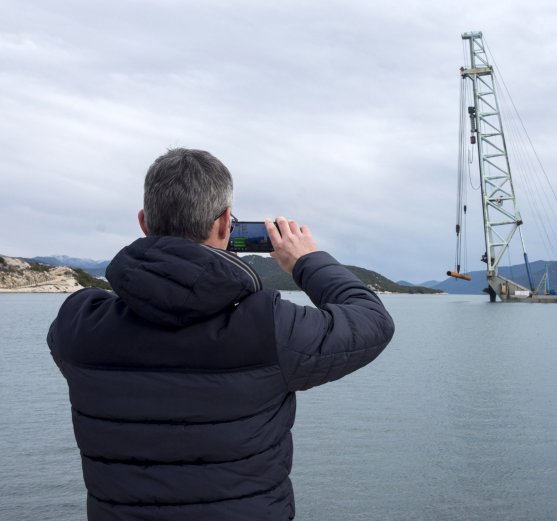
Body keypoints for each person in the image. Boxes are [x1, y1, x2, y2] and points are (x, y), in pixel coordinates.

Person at [47, 148, 394, 520]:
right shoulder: (269, 327)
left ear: (144, 222)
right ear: (226, 223)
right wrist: (307, 260)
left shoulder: (79, 325)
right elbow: (371, 319)